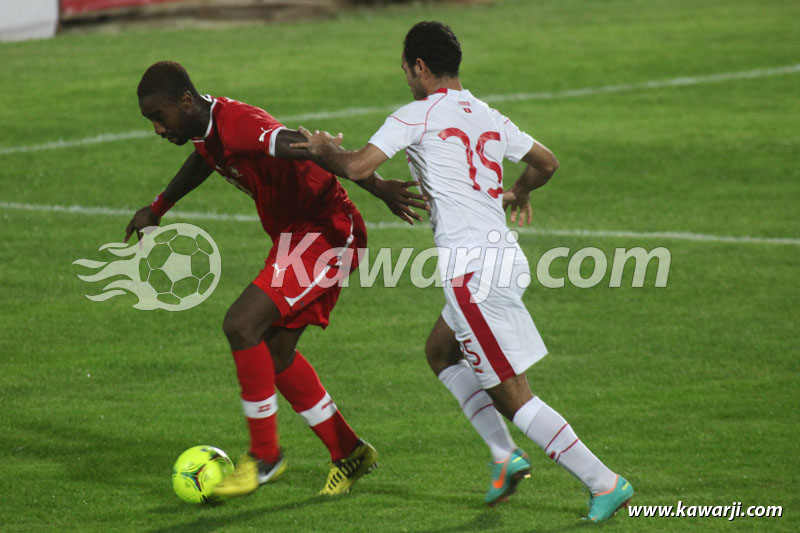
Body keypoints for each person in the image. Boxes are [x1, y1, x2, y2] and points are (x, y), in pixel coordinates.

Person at [292, 21, 633, 521]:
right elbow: (546, 162)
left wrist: (324, 150)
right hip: (502, 259)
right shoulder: (486, 113)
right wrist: (518, 191)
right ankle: (503, 456)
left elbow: (359, 166)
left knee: (513, 397)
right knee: (440, 351)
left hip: (473, 273)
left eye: (406, 69)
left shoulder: (415, 115)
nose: (406, 78)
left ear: (420, 67)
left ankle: (604, 482)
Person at [125, 61, 427, 498]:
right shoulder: (206, 129)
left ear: (186, 101)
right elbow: (204, 159)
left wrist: (377, 185)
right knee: (274, 352)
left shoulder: (239, 125)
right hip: (294, 237)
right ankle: (349, 452)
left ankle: (265, 456)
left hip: (326, 232)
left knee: (241, 324)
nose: (157, 128)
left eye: (159, 116)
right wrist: (158, 207)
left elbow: (306, 148)